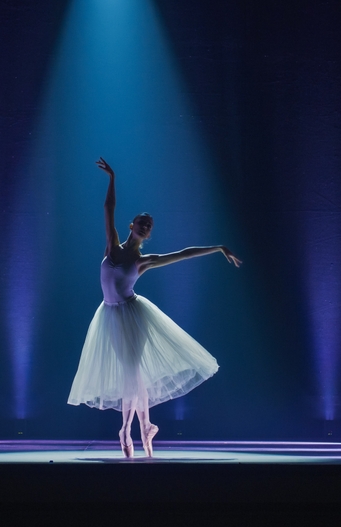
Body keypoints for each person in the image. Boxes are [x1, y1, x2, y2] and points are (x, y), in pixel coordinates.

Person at [67, 157, 242, 458]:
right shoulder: (112, 245)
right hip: (109, 314)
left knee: (131, 373)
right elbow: (108, 208)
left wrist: (218, 248)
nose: (145, 225)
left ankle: (126, 430)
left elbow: (184, 254)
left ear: (147, 234)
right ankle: (146, 427)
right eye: (142, 222)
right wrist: (112, 178)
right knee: (133, 375)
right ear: (132, 225)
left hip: (133, 315)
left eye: (149, 225)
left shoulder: (143, 261)